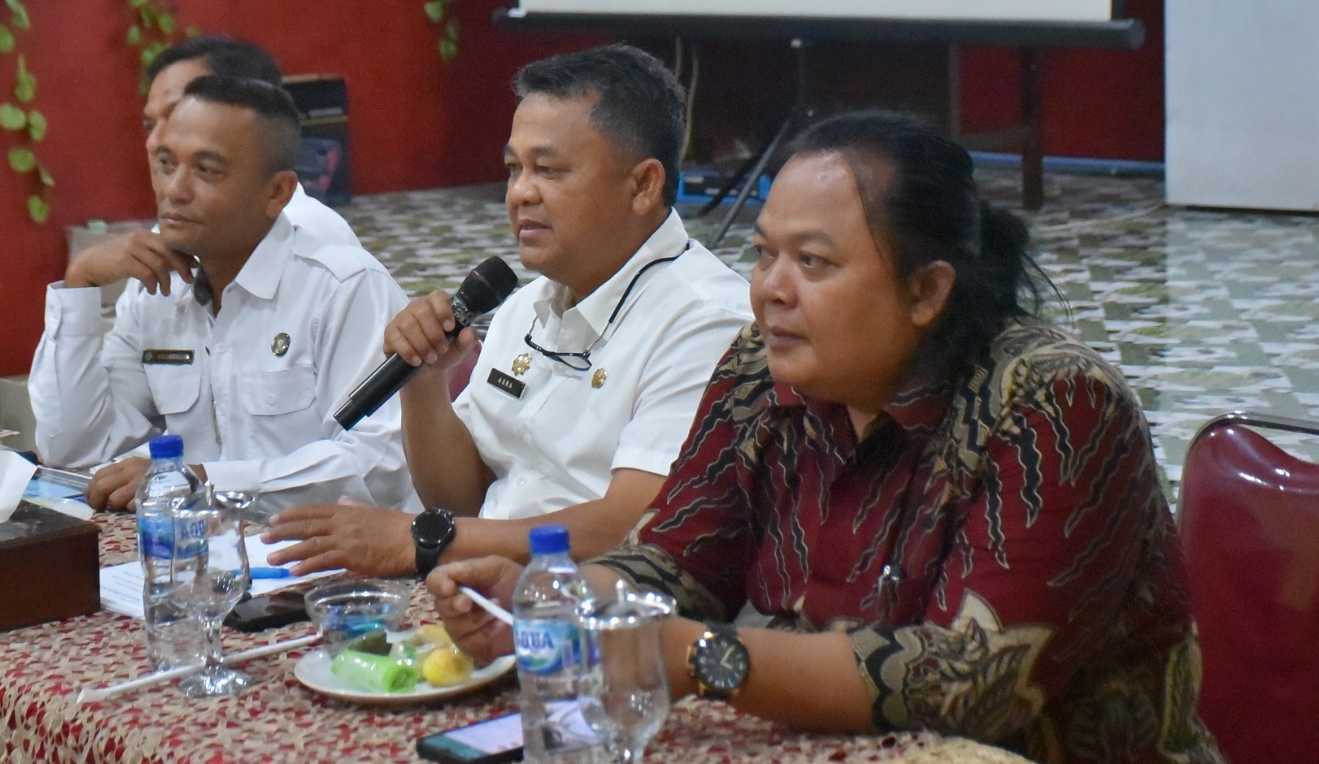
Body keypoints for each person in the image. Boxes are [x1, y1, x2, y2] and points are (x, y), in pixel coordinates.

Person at [430, 111, 1224, 764]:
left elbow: (969, 686)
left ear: (925, 291)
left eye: (812, 261)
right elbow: (678, 560)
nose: (771, 291)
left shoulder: (1055, 405)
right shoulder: (759, 370)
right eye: (764, 255)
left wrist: (696, 655)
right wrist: (555, 600)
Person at [262, 44, 752, 578]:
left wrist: (427, 542)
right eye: (514, 168)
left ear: (643, 185)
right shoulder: (527, 303)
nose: (519, 193)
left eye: (548, 170)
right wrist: (424, 383)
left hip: (592, 613)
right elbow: (463, 498)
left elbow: (636, 523)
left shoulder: (706, 320)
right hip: (479, 584)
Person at [28, 75, 414, 513]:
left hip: (328, 556)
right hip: (201, 551)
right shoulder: (157, 290)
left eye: (207, 171)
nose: (175, 190)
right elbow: (74, 449)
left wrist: (207, 481)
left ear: (277, 192)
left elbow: (381, 465)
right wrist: (79, 284)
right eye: (167, 164)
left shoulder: (342, 287)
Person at [69, 35, 359, 309]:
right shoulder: (167, 242)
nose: (155, 143)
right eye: (149, 125)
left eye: (176, 115)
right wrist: (80, 279)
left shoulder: (319, 255)